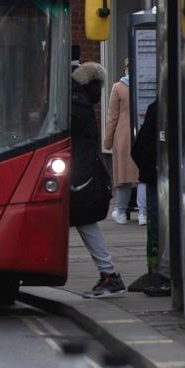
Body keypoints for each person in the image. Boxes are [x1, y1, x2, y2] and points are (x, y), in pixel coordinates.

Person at [71, 61, 126, 298]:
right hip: (83, 174)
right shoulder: (82, 101)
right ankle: (108, 274)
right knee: (86, 224)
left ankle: (110, 275)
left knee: (85, 223)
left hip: (78, 177)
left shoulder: (75, 102)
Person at [131, 99, 172, 296]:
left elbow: (140, 146)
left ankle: (158, 272)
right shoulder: (162, 107)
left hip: (157, 175)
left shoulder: (158, 107)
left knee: (158, 225)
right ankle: (160, 272)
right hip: (163, 175)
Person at [104, 60, 144, 225]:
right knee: (143, 177)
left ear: (126, 69)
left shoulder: (118, 88)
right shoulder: (144, 86)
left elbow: (112, 117)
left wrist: (107, 141)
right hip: (142, 133)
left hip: (123, 135)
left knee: (123, 177)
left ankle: (120, 212)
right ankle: (143, 213)